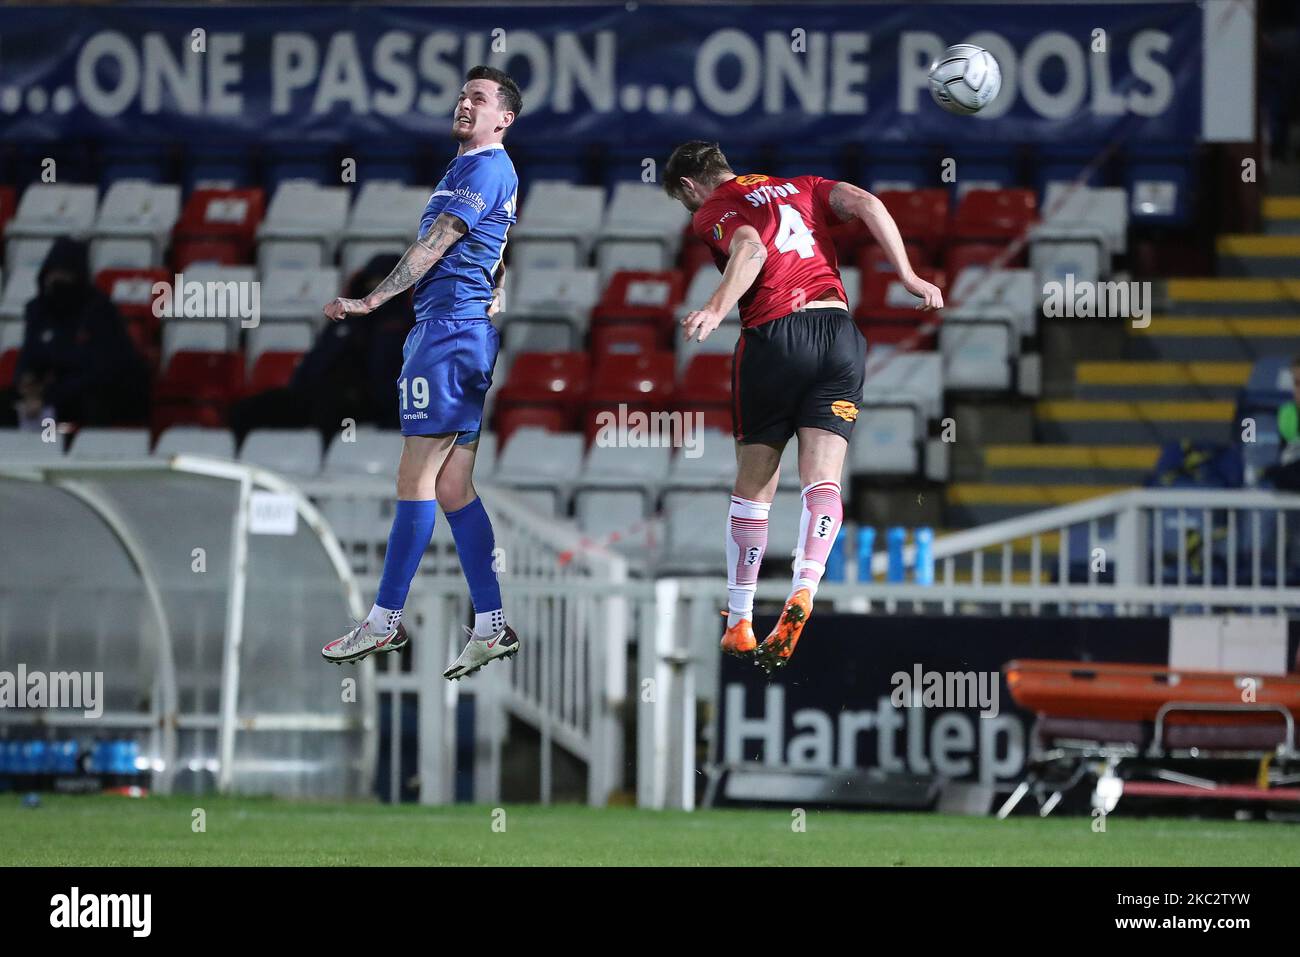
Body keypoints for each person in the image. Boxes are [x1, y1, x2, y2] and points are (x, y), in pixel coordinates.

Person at [663, 141, 942, 674]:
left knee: (755, 488)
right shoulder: (805, 185)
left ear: (690, 186)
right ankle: (805, 588)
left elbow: (750, 248)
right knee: (823, 481)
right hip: (839, 333)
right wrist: (907, 275)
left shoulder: (714, 207)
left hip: (774, 336)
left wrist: (716, 308)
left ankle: (740, 619)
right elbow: (867, 203)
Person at [320, 66, 520, 682]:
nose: (465, 104)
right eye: (463, 95)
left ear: (503, 119)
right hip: (456, 332)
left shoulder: (485, 166)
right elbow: (492, 244)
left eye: (479, 99)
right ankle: (490, 625)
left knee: (416, 476)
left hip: (448, 336)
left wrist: (370, 302)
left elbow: (438, 241)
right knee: (454, 485)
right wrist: (499, 284)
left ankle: (384, 618)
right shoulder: (477, 170)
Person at [229, 253, 413, 443]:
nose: (374, 288)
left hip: (367, 401)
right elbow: (316, 358)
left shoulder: (406, 325)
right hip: (315, 393)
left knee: (328, 410)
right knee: (246, 411)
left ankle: (316, 465)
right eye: (371, 281)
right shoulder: (344, 321)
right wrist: (298, 387)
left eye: (381, 281)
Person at [5, 236, 148, 430]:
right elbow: (30, 355)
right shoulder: (37, 309)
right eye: (53, 273)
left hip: (95, 391)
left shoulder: (100, 310)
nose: (58, 280)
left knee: (89, 402)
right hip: (50, 390)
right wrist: (27, 382)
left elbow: (100, 369)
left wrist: (49, 396)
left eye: (65, 274)